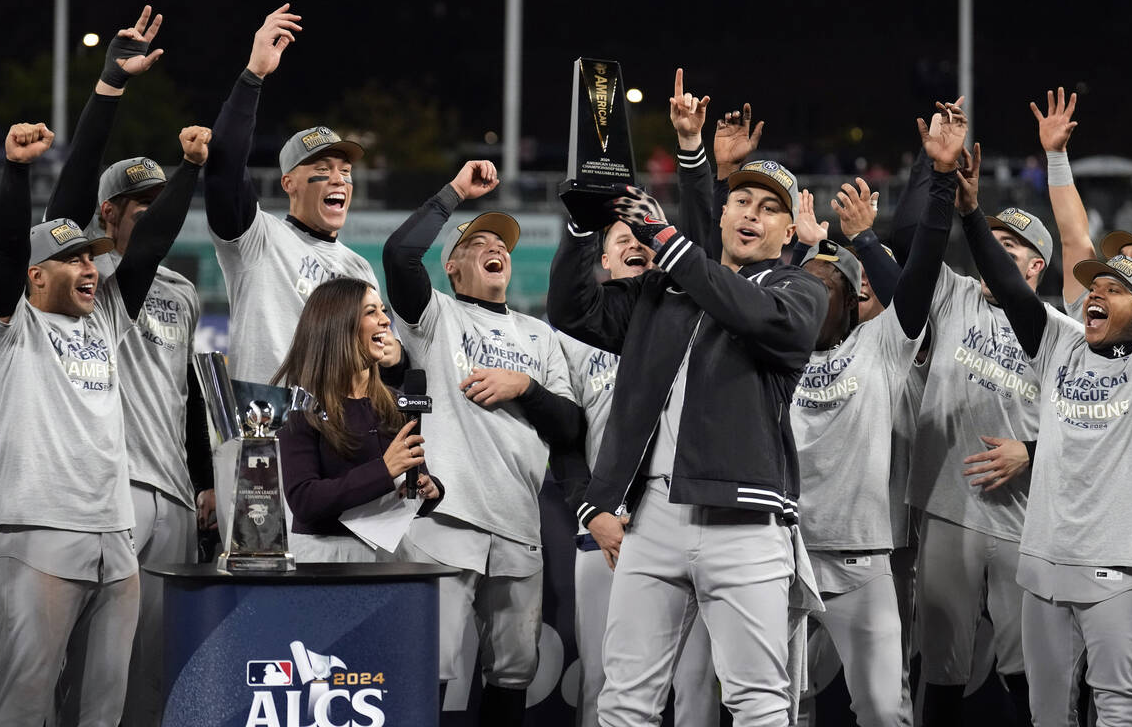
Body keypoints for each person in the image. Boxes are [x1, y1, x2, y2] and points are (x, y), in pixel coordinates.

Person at [548, 135, 828, 725]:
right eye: (742, 200)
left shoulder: (797, 290)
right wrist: (581, 230)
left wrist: (670, 241)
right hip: (651, 519)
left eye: (769, 207)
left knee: (756, 702)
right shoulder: (664, 290)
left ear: (788, 232)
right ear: (723, 214)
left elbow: (751, 313)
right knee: (625, 697)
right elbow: (575, 311)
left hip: (745, 523)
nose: (751, 213)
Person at [0, 120, 206, 727]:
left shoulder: (106, 321)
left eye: (88, 257)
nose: (86, 268)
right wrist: (18, 170)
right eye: (68, 258)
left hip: (115, 535)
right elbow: (4, 248)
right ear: (34, 275)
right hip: (38, 531)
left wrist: (191, 170)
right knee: (27, 700)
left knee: (105, 708)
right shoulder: (9, 329)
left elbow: (149, 243)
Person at [36, 7, 214, 727]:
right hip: (100, 494)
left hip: (169, 495)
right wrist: (110, 87)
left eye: (157, 203)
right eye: (137, 205)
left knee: (146, 682)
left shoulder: (183, 292)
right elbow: (66, 198)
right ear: (107, 214)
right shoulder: (87, 285)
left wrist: (204, 480)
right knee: (75, 677)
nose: (151, 214)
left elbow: (185, 396)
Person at [955, 158, 1132, 726]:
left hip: (1120, 567)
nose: (1096, 294)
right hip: (1043, 563)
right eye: (1095, 285)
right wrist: (970, 212)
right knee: (1046, 714)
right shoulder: (1060, 344)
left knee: (1116, 707)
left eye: (1115, 289)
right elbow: (1013, 288)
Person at [889, 102, 1069, 726]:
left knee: (1028, 674)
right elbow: (909, 241)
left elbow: (1089, 427)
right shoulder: (954, 295)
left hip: (1024, 521)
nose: (994, 251)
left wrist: (1034, 451)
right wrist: (936, 172)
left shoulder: (1058, 330)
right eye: (992, 239)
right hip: (947, 508)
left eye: (1010, 245)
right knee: (941, 674)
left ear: (1036, 266)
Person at [382, 160, 579, 725]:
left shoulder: (538, 336)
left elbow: (568, 427)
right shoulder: (435, 318)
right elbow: (399, 254)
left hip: (517, 525)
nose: (496, 247)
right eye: (478, 242)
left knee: (513, 675)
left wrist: (525, 387)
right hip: (445, 522)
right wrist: (454, 194)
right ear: (453, 266)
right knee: (427, 669)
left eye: (503, 244)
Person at [786, 103, 964, 726]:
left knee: (885, 711)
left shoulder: (881, 343)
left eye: (839, 287)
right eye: (812, 285)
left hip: (862, 556)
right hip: (783, 548)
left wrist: (937, 181)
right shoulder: (775, 344)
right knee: (776, 709)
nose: (825, 293)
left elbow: (917, 275)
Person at [204, 4, 379, 384]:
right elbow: (224, 167)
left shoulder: (359, 270)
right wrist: (254, 76)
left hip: (337, 435)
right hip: (272, 431)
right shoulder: (258, 239)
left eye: (345, 172)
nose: (338, 179)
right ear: (288, 184)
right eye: (321, 170)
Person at [273, 277, 442, 562]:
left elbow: (413, 479)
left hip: (392, 553)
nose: (386, 320)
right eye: (371, 312)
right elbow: (304, 499)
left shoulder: (395, 402)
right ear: (339, 325)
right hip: (326, 557)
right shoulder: (302, 406)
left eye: (383, 310)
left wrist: (430, 488)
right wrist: (384, 470)